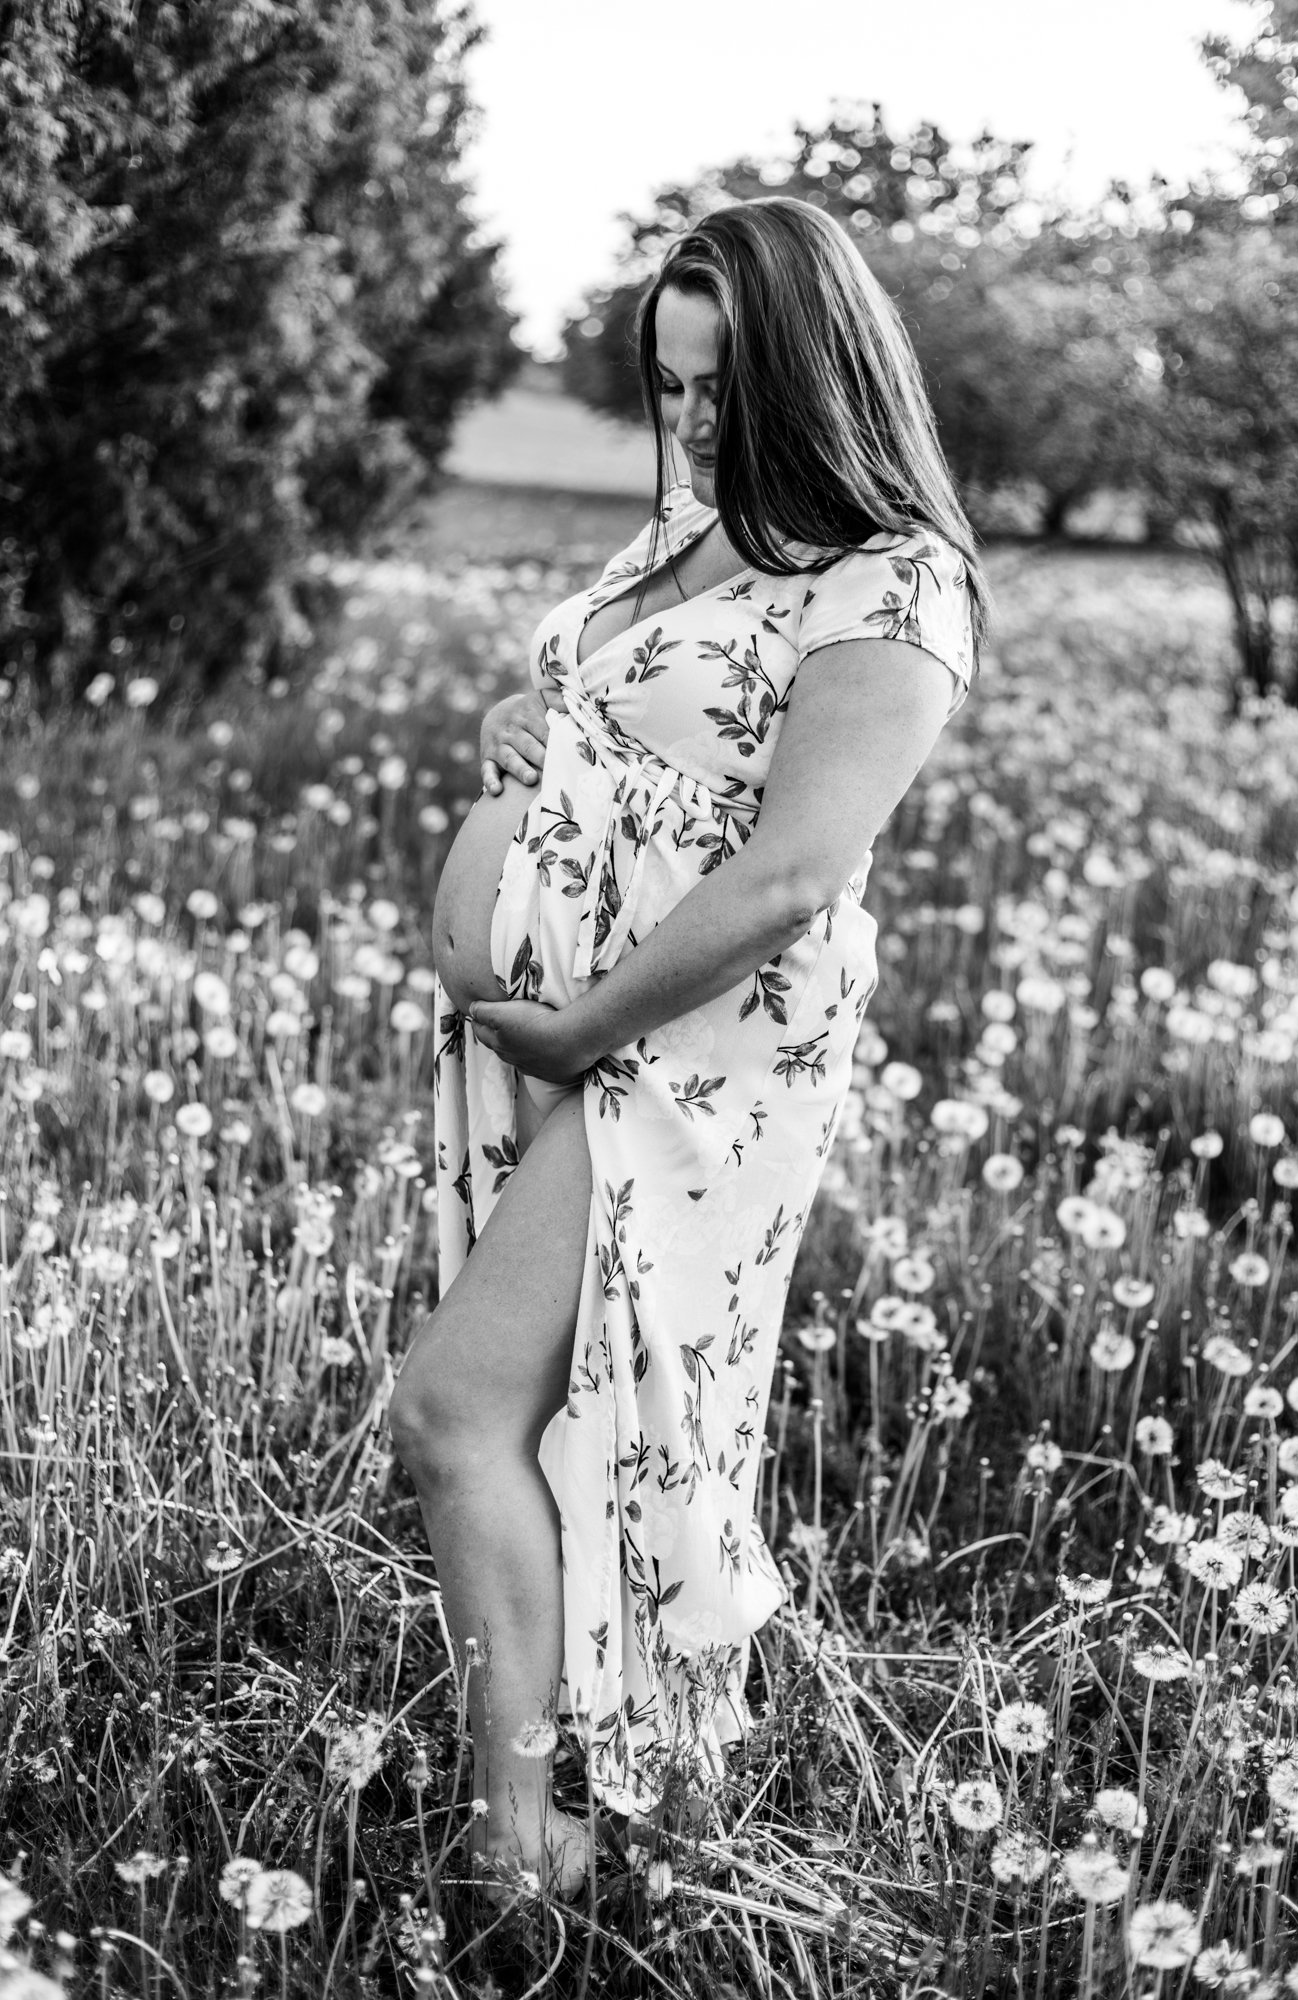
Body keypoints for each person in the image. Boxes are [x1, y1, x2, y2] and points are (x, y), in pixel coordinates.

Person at [388, 195, 991, 1895]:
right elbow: (609, 709)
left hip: (694, 1050)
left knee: (462, 1407)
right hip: (569, 1036)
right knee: (563, 1410)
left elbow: (794, 870)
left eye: (728, 387)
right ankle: (585, 1812)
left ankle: (534, 1844)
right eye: (671, 386)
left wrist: (579, 1024)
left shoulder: (892, 581)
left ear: (818, 375)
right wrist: (525, 720)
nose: (695, 420)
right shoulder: (684, 529)